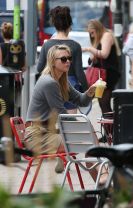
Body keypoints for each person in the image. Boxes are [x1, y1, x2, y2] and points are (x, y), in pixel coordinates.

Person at [24, 44, 96, 174]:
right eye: (63, 59)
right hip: (36, 135)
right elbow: (61, 114)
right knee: (88, 139)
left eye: (69, 58)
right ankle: (100, 176)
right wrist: (83, 126)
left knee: (88, 136)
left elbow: (81, 100)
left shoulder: (62, 80)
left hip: (49, 131)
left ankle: (99, 178)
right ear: (52, 61)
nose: (68, 61)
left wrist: (90, 92)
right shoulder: (49, 82)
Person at [37, 6, 88, 113]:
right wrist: (87, 90)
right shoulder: (75, 46)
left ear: (54, 25)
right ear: (70, 25)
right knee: (70, 123)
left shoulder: (47, 45)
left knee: (53, 124)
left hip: (51, 87)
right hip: (71, 88)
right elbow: (79, 73)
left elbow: (39, 68)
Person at [82, 19, 121, 114]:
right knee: (103, 103)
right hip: (104, 74)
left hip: (107, 74)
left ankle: (111, 128)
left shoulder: (106, 35)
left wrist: (89, 49)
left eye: (92, 32)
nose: (91, 36)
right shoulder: (100, 38)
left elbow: (104, 54)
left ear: (97, 29)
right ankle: (109, 127)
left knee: (104, 102)